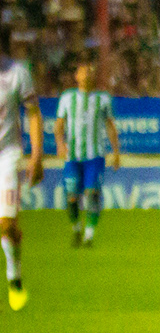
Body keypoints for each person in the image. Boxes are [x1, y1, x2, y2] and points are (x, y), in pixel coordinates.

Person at [54, 59, 120, 248]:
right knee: (72, 197)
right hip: (72, 157)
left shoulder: (103, 98)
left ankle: (89, 235)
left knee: (92, 194)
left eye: (90, 71)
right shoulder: (67, 98)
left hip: (95, 155)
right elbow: (59, 123)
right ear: (76, 76)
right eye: (83, 71)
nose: (87, 74)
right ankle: (76, 229)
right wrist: (60, 144)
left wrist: (116, 152)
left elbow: (110, 125)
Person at [0, 33, 45, 310]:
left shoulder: (17, 73)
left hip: (7, 156)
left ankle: (13, 276)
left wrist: (37, 155)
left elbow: (33, 113)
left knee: (6, 225)